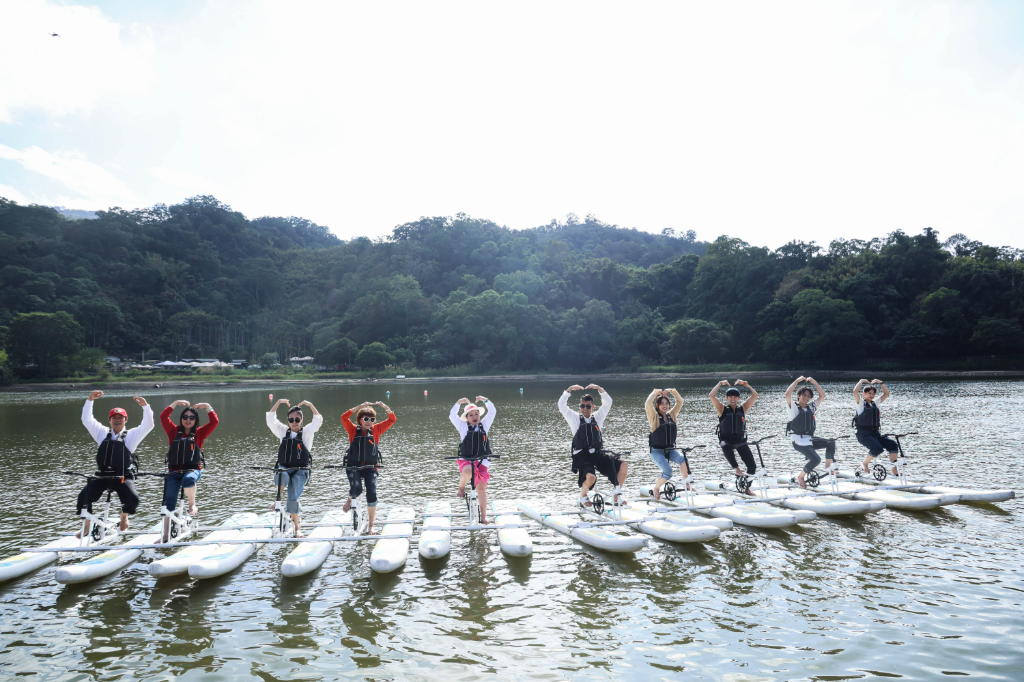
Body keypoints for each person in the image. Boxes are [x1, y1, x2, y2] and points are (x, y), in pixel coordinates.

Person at [75, 390, 154, 537]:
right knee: (83, 497)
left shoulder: (131, 435)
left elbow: (148, 425)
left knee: (133, 499)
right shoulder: (101, 433)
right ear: (109, 420)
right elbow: (87, 420)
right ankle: (86, 526)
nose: (117, 420)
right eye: (114, 418)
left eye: (120, 418)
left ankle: (124, 516)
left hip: (122, 476)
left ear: (126, 420)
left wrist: (146, 407)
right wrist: (90, 400)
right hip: (102, 476)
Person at [558, 384, 627, 508]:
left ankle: (616, 496)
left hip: (597, 454)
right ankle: (583, 495)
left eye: (588, 406)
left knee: (623, 465)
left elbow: (608, 403)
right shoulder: (574, 418)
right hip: (582, 456)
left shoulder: (598, 417)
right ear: (580, 407)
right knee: (591, 477)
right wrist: (569, 390)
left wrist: (599, 389)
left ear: (592, 407)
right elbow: (561, 405)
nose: (585, 408)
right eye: (582, 406)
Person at [158, 399, 218, 542]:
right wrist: (175, 403)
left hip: (192, 470)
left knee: (188, 479)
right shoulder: (173, 432)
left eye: (192, 418)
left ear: (196, 420)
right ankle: (165, 535)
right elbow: (163, 417)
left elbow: (214, 422)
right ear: (181, 419)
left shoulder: (200, 433)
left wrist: (208, 407)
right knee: (168, 503)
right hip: (173, 472)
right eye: (185, 417)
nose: (188, 420)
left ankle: (192, 504)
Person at [266, 398, 322, 537]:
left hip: (301, 471)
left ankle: (297, 528)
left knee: (292, 499)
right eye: (291, 420)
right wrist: (278, 402)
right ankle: (278, 499)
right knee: (281, 474)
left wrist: (310, 404)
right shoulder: (283, 431)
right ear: (288, 421)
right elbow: (270, 420)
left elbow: (318, 420)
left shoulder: (307, 431)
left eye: (297, 419)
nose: (294, 422)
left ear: (301, 420)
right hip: (285, 468)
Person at [340, 400, 396, 534]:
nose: (369, 421)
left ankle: (371, 526)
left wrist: (385, 407)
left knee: (371, 493)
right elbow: (344, 417)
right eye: (366, 419)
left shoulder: (376, 430)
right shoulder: (352, 430)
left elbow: (392, 419)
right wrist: (359, 406)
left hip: (371, 468)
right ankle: (350, 497)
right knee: (357, 489)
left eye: (372, 419)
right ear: (360, 420)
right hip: (354, 467)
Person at [449, 396, 495, 525]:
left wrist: (486, 400)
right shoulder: (462, 426)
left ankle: (484, 516)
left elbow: (492, 412)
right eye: (471, 415)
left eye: (476, 414)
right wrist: (458, 402)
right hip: (467, 460)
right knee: (469, 470)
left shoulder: (484, 425)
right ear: (467, 418)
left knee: (481, 489)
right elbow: (452, 416)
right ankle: (461, 487)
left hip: (482, 462)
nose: (474, 417)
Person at [709, 380, 760, 491]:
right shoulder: (722, 409)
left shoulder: (743, 408)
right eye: (731, 396)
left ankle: (746, 487)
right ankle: (737, 469)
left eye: (735, 397)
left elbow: (755, 395)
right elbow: (711, 396)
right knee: (725, 446)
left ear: (738, 398)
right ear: (727, 398)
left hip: (739, 440)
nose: (733, 399)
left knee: (752, 466)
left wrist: (746, 384)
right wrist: (719, 384)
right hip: (726, 439)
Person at [784, 376, 834, 489]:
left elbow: (822, 396)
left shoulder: (811, 407)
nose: (806, 398)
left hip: (810, 440)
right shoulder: (794, 408)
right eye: (804, 395)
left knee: (831, 442)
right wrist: (797, 381)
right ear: (799, 395)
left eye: (808, 396)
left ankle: (828, 467)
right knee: (816, 459)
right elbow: (787, 394)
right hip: (798, 441)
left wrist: (815, 383)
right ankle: (800, 477)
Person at [645, 388, 688, 501]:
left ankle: (687, 485)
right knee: (668, 472)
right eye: (662, 404)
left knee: (684, 461)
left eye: (666, 403)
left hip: (670, 450)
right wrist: (655, 393)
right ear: (658, 406)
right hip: (657, 451)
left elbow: (680, 401)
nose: (664, 406)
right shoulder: (654, 417)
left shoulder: (672, 415)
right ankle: (656, 488)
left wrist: (673, 391)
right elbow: (648, 403)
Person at [853, 378, 900, 475]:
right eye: (869, 393)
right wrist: (861, 381)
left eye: (873, 394)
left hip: (875, 434)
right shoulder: (861, 404)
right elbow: (855, 391)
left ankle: (894, 469)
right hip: (863, 435)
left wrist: (881, 383)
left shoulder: (875, 403)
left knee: (893, 444)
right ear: (864, 393)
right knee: (877, 449)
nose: (872, 395)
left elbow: (886, 394)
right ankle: (865, 463)